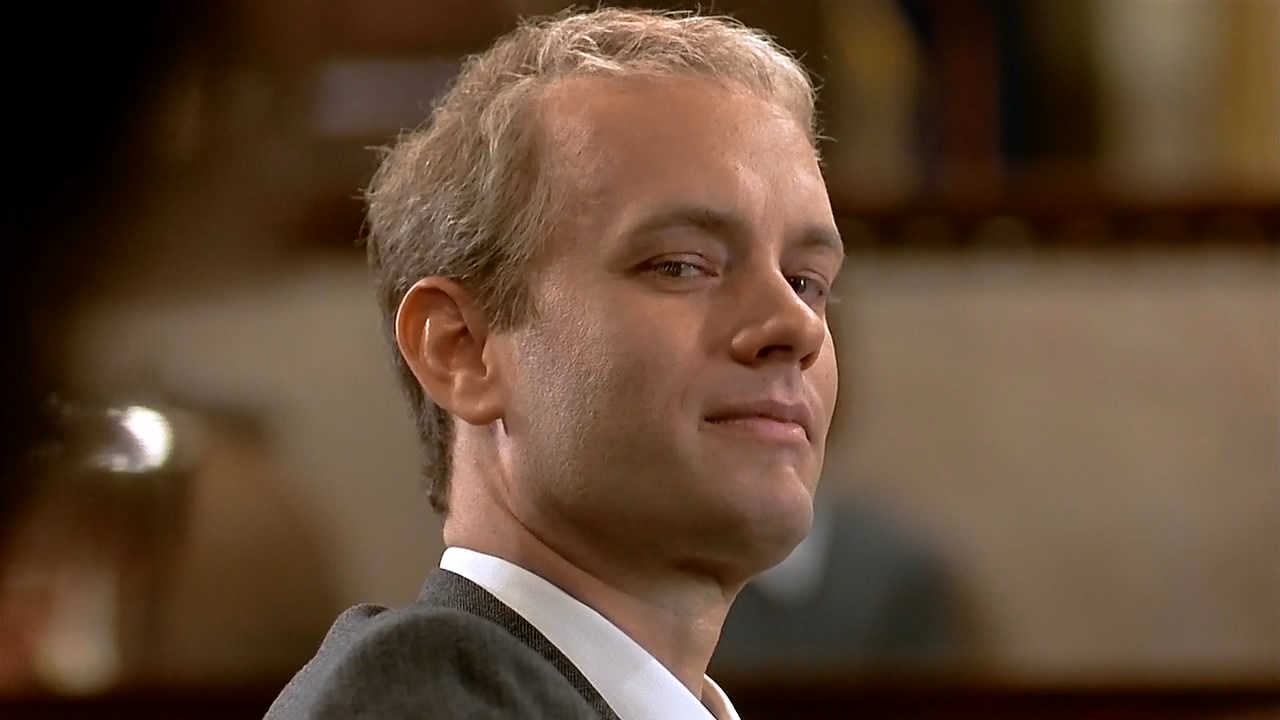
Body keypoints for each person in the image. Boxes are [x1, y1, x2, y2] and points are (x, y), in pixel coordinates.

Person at [267, 7, 843, 719]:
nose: (796, 325)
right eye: (680, 265)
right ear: (461, 350)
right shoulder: (417, 700)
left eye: (807, 281)